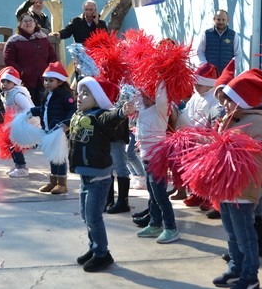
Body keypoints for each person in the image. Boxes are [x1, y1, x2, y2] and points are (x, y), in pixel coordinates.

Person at [211, 69, 262, 289]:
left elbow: (258, 152)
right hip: (228, 186)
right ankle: (236, 268)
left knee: (244, 233)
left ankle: (250, 277)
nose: (226, 105)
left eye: (230, 100)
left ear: (243, 101)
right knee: (231, 231)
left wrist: (229, 147)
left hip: (243, 186)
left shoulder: (258, 122)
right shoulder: (236, 118)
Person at [71, 76, 132, 272]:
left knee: (94, 217)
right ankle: (94, 247)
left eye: (86, 93)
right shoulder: (80, 115)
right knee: (85, 215)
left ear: (98, 98)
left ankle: (102, 254)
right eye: (80, 92)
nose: (80, 96)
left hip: (98, 179)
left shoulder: (100, 117)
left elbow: (113, 116)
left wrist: (122, 111)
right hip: (84, 177)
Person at [135, 82, 181, 244]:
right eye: (144, 94)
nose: (145, 97)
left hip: (158, 159)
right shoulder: (142, 109)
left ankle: (171, 228)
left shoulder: (161, 110)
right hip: (146, 159)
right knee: (153, 194)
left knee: (160, 195)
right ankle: (155, 223)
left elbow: (162, 99)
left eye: (149, 94)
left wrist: (160, 76)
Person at [28, 62, 75, 189]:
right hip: (49, 130)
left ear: (59, 82)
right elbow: (45, 110)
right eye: (46, 80)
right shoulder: (48, 95)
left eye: (51, 80)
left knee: (59, 156)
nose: (47, 83)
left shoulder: (64, 95)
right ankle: (53, 180)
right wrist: (32, 111)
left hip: (59, 130)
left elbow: (72, 109)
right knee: (52, 156)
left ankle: (62, 183)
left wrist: (66, 123)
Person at [181, 63, 220, 208]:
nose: (196, 86)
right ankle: (196, 193)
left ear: (208, 84)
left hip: (205, 139)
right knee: (192, 168)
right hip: (191, 137)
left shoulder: (214, 98)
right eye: (195, 83)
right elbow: (186, 112)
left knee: (207, 170)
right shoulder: (195, 96)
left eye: (200, 84)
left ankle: (208, 197)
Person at [4, 13, 59, 105]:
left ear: (35, 23)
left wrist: (50, 72)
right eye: (25, 21)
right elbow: (9, 61)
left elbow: (52, 57)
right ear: (20, 24)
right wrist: (21, 72)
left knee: (42, 106)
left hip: (43, 80)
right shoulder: (14, 42)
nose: (28, 23)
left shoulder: (43, 39)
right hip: (24, 82)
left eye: (30, 21)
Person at [0, 67, 34, 179]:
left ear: (15, 83)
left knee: (16, 146)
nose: (4, 84)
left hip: (21, 123)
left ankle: (22, 167)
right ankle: (18, 165)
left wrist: (20, 120)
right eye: (3, 81)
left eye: (8, 81)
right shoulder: (7, 93)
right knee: (11, 145)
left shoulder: (17, 95)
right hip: (12, 123)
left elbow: (29, 109)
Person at [195, 9, 242, 74]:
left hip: (226, 74)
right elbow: (200, 51)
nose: (221, 22)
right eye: (218, 19)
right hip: (209, 73)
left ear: (228, 20)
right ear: (214, 19)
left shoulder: (233, 35)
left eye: (223, 20)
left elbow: (238, 54)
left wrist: (231, 68)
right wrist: (205, 65)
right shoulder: (206, 34)